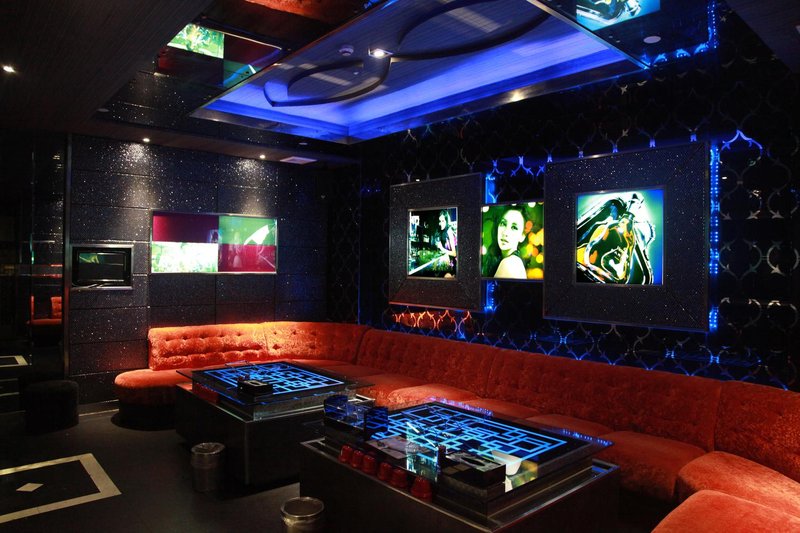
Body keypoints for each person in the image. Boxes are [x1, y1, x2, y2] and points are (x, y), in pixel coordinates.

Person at [483, 206, 528, 279]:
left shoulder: (510, 264)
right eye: (503, 224)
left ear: (522, 236)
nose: (505, 232)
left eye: (514, 228)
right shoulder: (510, 260)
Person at [433, 210, 457, 276]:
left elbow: (454, 253)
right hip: (447, 261)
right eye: (440, 221)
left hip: (454, 264)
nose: (440, 223)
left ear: (446, 221)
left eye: (443, 221)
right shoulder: (442, 231)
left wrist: (442, 248)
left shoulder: (449, 231)